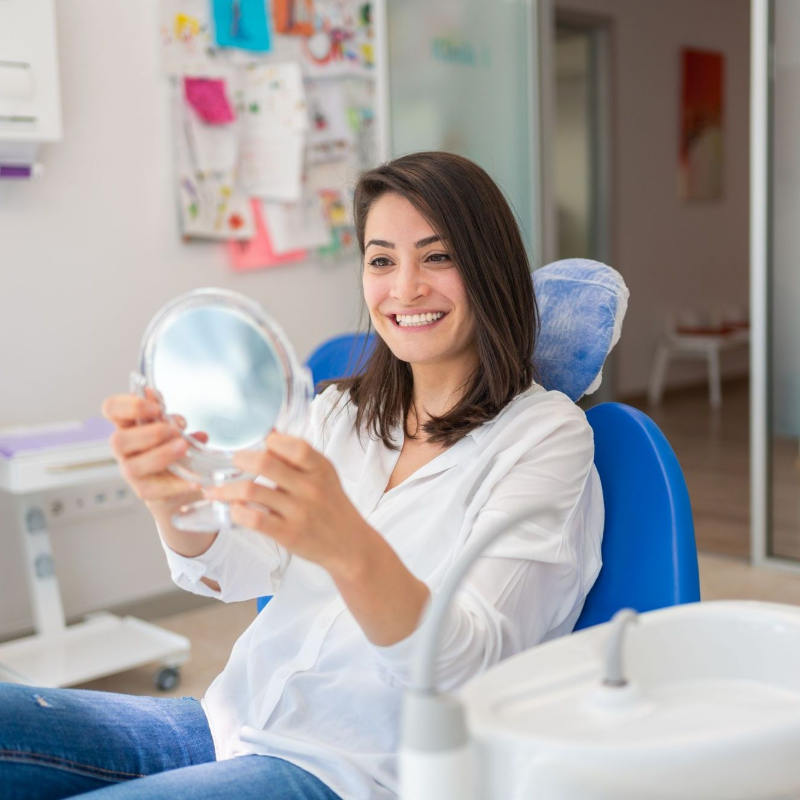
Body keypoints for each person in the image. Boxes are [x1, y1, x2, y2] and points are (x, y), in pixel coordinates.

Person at [0, 152, 603, 800]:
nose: (404, 289)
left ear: (489, 267)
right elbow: (244, 565)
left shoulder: (543, 438)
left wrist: (347, 546)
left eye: (438, 256)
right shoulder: (338, 413)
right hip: (228, 724)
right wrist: (171, 501)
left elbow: (466, 667)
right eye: (381, 260)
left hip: (355, 775)